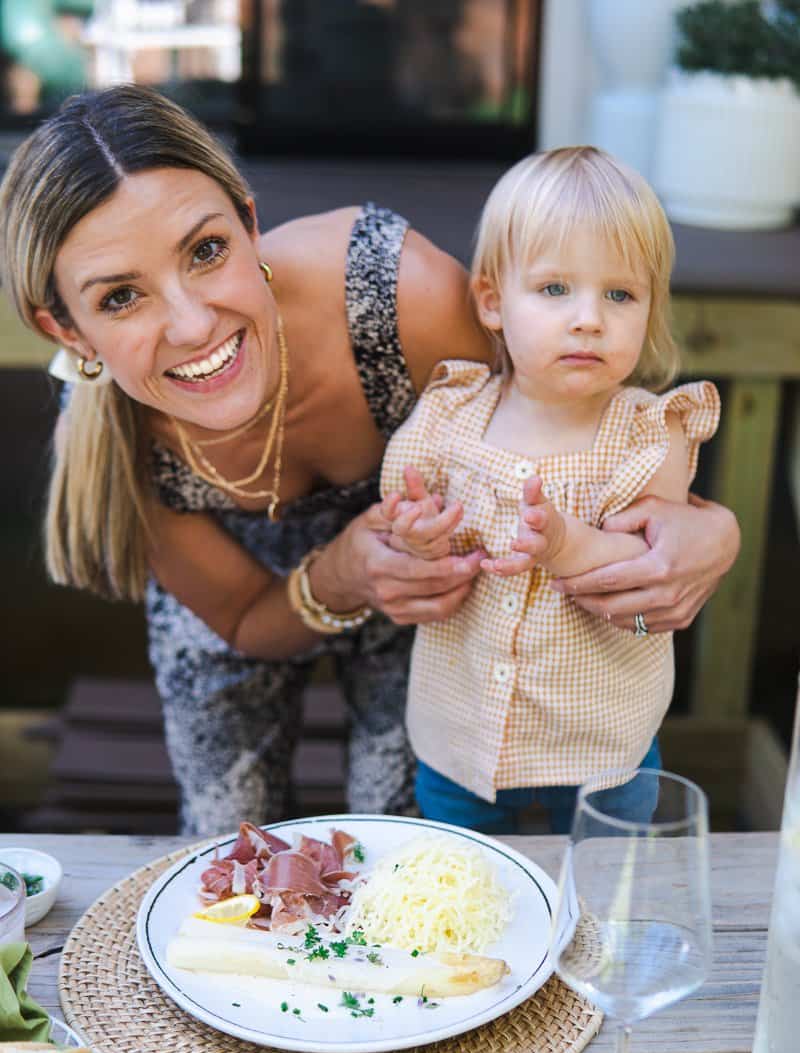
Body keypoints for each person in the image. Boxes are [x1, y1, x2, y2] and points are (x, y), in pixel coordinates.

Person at [0, 89, 739, 837]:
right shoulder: (115, 439)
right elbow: (245, 619)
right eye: (121, 297)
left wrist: (712, 529)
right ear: (67, 329)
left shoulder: (397, 297)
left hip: (430, 592)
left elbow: (563, 425)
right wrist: (340, 573)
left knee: (402, 837)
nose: (192, 326)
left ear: (250, 224)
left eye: (207, 251)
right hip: (256, 608)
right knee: (225, 837)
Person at [379, 146, 720, 834]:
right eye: (555, 289)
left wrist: (564, 543)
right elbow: (404, 527)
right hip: (461, 734)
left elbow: (645, 565)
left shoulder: (649, 434)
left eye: (619, 294)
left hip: (600, 747)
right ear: (492, 302)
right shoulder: (450, 414)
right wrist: (419, 536)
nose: (589, 318)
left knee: (603, 874)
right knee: (465, 873)